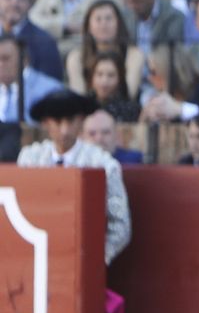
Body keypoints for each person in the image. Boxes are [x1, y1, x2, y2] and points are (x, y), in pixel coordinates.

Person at [17, 89, 130, 265]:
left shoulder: (103, 164)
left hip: (82, 258)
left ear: (81, 121)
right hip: (35, 259)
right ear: (46, 123)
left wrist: (94, 260)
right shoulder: (30, 159)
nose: (64, 130)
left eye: (70, 121)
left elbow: (120, 226)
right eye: (58, 121)